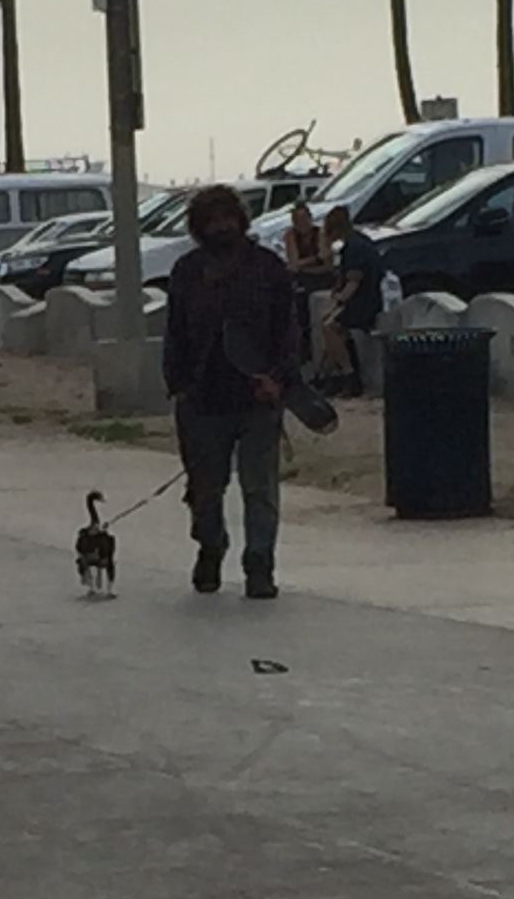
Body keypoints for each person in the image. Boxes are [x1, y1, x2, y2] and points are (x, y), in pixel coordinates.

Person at [161, 183, 308, 601]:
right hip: (202, 400)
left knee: (259, 488)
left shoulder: (268, 269)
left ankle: (259, 564)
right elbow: (174, 334)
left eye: (228, 218)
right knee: (205, 490)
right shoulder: (187, 272)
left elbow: (288, 332)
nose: (221, 227)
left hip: (258, 398)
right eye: (212, 221)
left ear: (241, 221)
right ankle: (210, 547)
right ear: (198, 227)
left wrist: (278, 378)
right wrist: (178, 386)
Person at [320, 205, 384, 397]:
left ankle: (348, 374)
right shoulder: (360, 243)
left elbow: (353, 282)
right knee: (332, 329)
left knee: (329, 327)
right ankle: (337, 375)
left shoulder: (353, 249)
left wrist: (340, 297)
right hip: (368, 298)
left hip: (362, 303)